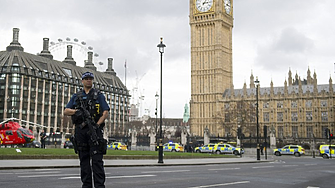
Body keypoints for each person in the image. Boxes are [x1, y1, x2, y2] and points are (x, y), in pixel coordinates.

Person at [64, 71, 110, 188]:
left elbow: (105, 112)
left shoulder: (98, 95)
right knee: (84, 161)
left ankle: (99, 186)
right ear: (82, 81)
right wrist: (76, 112)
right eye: (86, 79)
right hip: (81, 131)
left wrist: (97, 125)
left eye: (90, 78)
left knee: (97, 161)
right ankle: (86, 185)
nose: (89, 80)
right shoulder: (77, 96)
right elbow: (66, 110)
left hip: (94, 130)